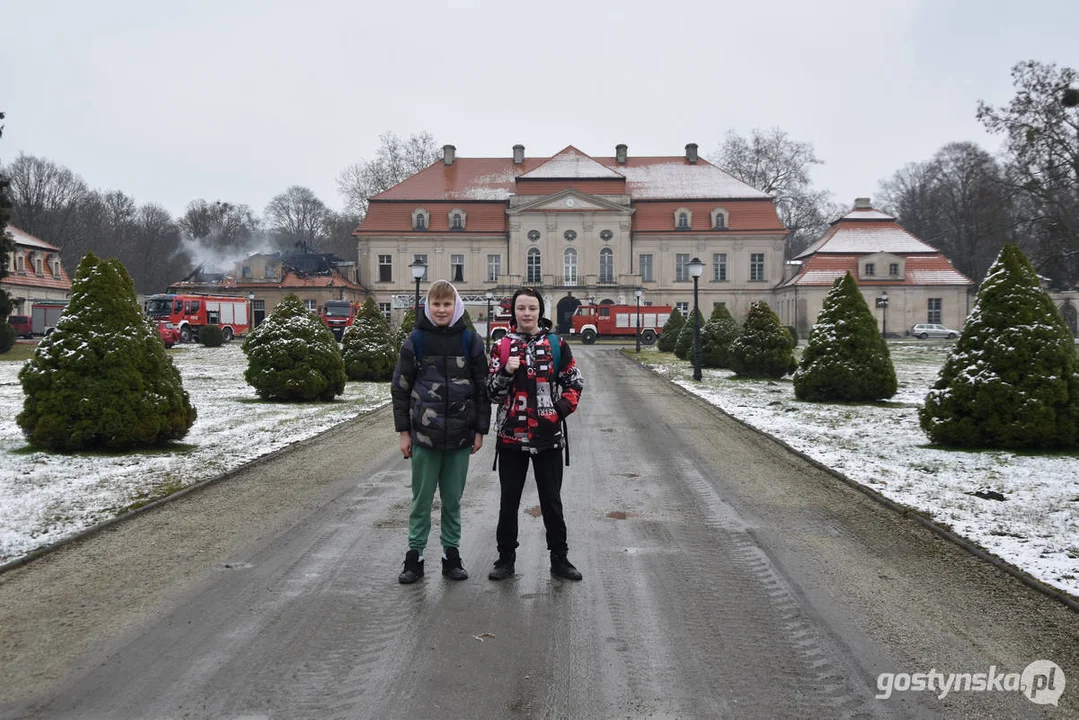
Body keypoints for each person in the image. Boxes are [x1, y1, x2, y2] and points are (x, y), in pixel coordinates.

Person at [391, 280, 490, 584]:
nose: (442, 310)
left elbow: (482, 389)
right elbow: (401, 389)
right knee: (421, 500)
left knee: (452, 499)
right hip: (425, 436)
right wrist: (404, 432)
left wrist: (479, 430)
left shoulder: (470, 342)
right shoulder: (415, 341)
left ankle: (451, 555)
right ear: (428, 306)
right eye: (436, 304)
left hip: (460, 437)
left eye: (447, 304)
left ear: (456, 306)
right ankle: (415, 557)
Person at [486, 288, 585, 581]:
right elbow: (490, 392)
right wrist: (505, 371)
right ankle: (505, 558)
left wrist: (558, 411)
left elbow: (574, 383)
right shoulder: (501, 346)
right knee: (509, 501)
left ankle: (560, 558)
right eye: (521, 308)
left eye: (532, 308)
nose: (527, 313)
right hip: (511, 437)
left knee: (551, 501)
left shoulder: (556, 344)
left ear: (540, 311)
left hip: (548, 437)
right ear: (513, 312)